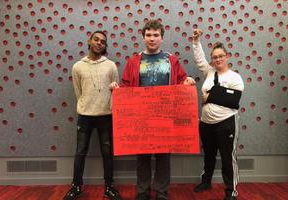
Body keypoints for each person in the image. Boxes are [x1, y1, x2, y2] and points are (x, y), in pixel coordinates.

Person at [111, 19, 195, 200]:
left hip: (166, 116)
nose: (152, 38)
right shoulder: (134, 61)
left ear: (162, 38)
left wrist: (187, 82)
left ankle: (162, 193)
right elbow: (126, 85)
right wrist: (117, 90)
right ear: (143, 37)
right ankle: (142, 193)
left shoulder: (172, 60)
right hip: (141, 117)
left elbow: (181, 80)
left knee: (164, 157)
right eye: (148, 35)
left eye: (156, 35)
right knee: (142, 158)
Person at [63, 30, 122, 200]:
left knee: (107, 152)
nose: (99, 43)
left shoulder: (111, 65)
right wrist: (86, 105)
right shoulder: (77, 66)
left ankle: (109, 187)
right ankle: (76, 187)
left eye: (102, 42)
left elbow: (115, 90)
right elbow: (78, 92)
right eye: (96, 39)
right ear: (89, 41)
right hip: (85, 115)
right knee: (80, 151)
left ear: (105, 46)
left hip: (106, 115)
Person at [192, 29, 244, 200]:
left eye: (220, 56)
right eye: (214, 57)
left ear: (227, 56)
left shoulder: (235, 77)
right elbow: (200, 59)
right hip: (206, 123)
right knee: (208, 155)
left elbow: (233, 100)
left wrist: (210, 95)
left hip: (226, 122)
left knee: (228, 158)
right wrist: (196, 41)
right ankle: (206, 182)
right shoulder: (209, 72)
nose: (217, 59)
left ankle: (231, 191)